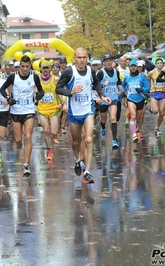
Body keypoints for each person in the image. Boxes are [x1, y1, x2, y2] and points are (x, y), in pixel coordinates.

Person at [56, 47, 110, 183]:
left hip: (88, 110)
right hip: (74, 113)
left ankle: (87, 171)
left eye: (84, 57)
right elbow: (58, 88)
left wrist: (102, 95)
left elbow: (96, 83)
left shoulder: (91, 71)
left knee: (89, 139)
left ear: (87, 58)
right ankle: (77, 159)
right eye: (79, 57)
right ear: (74, 58)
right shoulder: (69, 72)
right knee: (76, 142)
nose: (82, 60)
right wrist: (70, 92)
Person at [0, 55, 45, 175]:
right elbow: (2, 89)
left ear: (30, 66)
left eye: (27, 66)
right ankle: (21, 151)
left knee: (28, 136)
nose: (25, 69)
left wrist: (40, 95)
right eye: (23, 66)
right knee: (18, 139)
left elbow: (41, 90)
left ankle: (26, 165)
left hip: (29, 111)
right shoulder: (13, 76)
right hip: (16, 111)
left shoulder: (34, 76)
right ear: (19, 66)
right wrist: (8, 98)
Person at [96, 54, 122, 149]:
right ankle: (103, 127)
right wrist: (103, 86)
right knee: (103, 119)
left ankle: (114, 140)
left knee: (113, 118)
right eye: (106, 61)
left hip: (113, 99)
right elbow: (95, 85)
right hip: (103, 99)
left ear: (113, 62)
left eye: (110, 60)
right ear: (104, 63)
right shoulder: (101, 73)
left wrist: (120, 86)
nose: (108, 62)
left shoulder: (116, 72)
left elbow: (119, 81)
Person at [37, 60, 62, 160]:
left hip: (53, 109)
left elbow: (59, 91)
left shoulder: (55, 79)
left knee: (53, 131)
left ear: (50, 69)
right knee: (46, 131)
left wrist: (62, 103)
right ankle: (49, 149)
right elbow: (33, 91)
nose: (45, 70)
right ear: (41, 69)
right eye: (44, 68)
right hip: (42, 109)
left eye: (47, 68)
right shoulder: (37, 79)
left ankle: (53, 137)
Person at [121, 60, 150, 143]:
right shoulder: (127, 77)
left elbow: (147, 87)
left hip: (140, 99)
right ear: (129, 67)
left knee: (138, 118)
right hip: (131, 99)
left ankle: (135, 127)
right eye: (131, 66)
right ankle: (134, 134)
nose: (133, 68)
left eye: (134, 66)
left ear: (137, 67)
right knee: (133, 116)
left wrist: (142, 90)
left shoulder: (141, 77)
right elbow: (123, 86)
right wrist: (123, 92)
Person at [146, 58, 165, 138]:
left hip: (163, 93)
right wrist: (149, 89)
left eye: (161, 63)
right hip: (154, 93)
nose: (160, 64)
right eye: (158, 63)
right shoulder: (152, 72)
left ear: (163, 64)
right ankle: (151, 109)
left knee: (161, 113)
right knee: (155, 111)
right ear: (156, 64)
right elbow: (146, 79)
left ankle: (157, 127)